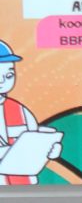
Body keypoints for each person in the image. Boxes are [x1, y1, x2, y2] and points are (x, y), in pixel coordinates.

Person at [0, 40, 62, 185]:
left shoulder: (20, 111)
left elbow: (33, 143)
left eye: (9, 75)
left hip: (26, 189)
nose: (2, 81)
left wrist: (50, 151)